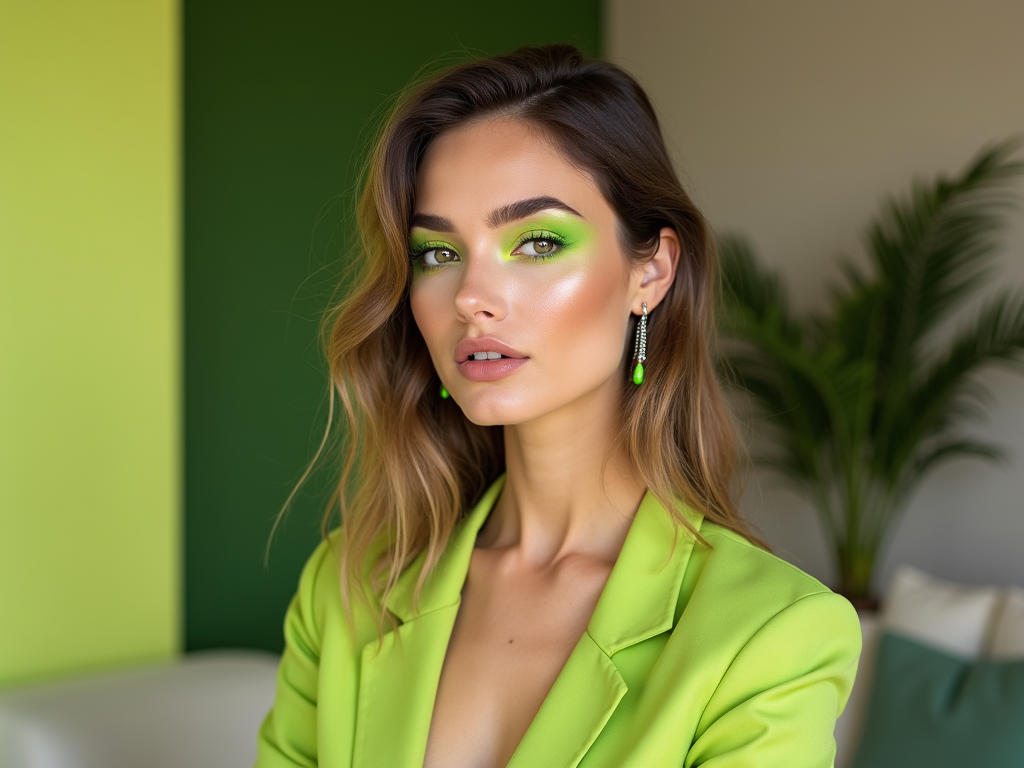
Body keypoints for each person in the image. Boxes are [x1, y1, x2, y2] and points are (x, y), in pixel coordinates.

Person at [256, 44, 861, 768]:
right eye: (438, 254)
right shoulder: (348, 587)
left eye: (536, 241)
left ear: (652, 271)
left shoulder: (771, 632)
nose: (472, 297)